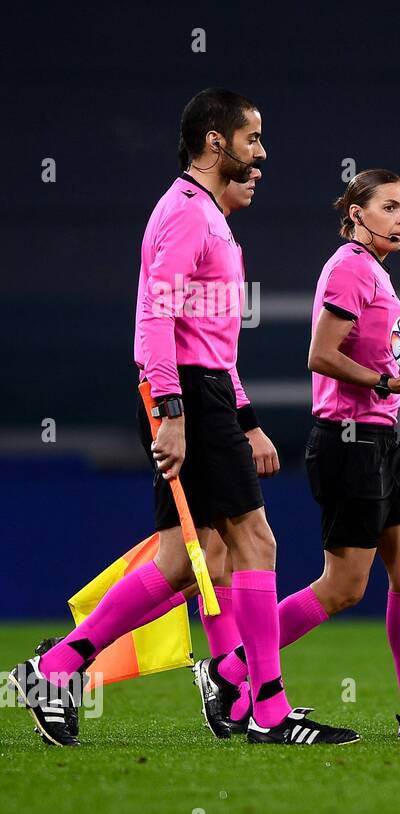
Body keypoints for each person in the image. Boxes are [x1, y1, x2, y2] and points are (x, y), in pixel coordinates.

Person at [9, 88, 357, 747]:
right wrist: (172, 412)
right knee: (257, 544)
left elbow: (212, 342)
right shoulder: (187, 215)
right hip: (187, 399)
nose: (262, 155)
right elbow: (154, 321)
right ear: (216, 142)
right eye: (252, 140)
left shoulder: (207, 217)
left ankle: (54, 669)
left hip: (204, 395)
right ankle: (268, 710)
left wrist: (246, 419)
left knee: (189, 561)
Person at [193, 169, 400, 740]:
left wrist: (394, 383)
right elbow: (320, 355)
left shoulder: (374, 271)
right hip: (347, 440)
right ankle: (227, 673)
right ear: (356, 212)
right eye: (389, 207)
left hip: (381, 437)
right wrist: (387, 382)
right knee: (344, 585)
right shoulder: (350, 268)